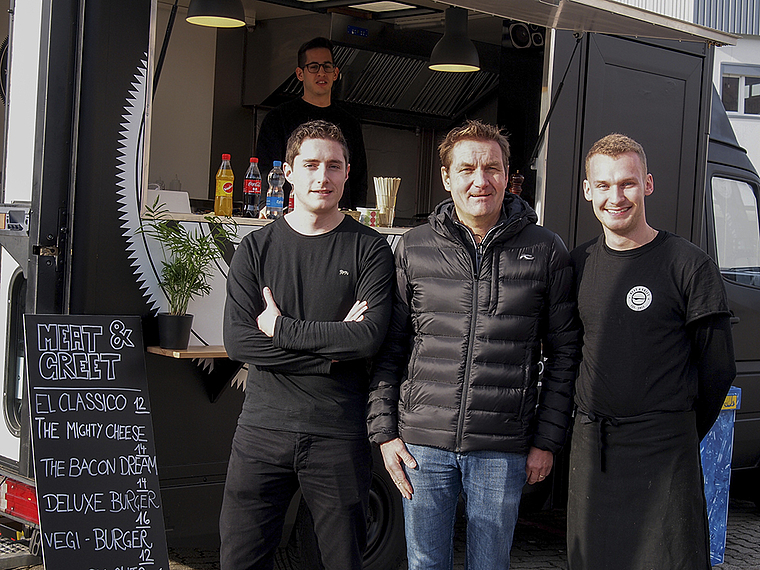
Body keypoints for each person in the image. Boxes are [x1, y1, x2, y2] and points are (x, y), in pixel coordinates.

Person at [367, 119, 580, 570]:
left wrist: (546, 440)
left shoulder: (546, 250)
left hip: (502, 446)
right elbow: (391, 347)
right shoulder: (414, 247)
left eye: (492, 168)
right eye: (466, 169)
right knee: (425, 564)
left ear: (508, 176)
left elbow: (565, 356)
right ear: (447, 177)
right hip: (421, 443)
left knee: (490, 564)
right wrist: (385, 433)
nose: (480, 181)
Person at [220, 120, 393, 570]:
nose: (323, 176)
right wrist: (333, 354)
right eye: (311, 164)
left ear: (347, 172)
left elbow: (369, 336)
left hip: (337, 433)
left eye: (333, 165)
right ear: (289, 173)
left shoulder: (370, 250)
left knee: (337, 562)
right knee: (241, 559)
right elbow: (239, 342)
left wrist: (280, 329)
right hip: (261, 430)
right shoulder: (255, 249)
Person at [567, 133, 736, 570]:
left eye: (627, 183)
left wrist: (674, 430)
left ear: (648, 184)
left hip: (664, 454)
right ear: (588, 191)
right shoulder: (579, 263)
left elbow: (717, 368)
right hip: (594, 450)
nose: (615, 196)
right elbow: (571, 351)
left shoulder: (688, 264)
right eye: (603, 185)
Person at [256, 37, 368, 210]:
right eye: (314, 67)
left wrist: (358, 214)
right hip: (289, 217)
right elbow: (266, 170)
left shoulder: (350, 123)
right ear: (300, 74)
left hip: (339, 219)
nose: (321, 73)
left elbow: (359, 178)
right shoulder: (278, 118)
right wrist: (265, 207)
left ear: (336, 73)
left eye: (327, 67)